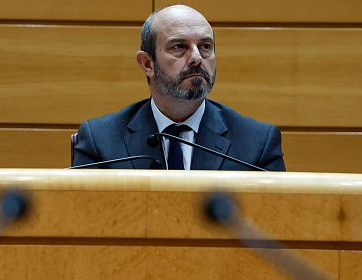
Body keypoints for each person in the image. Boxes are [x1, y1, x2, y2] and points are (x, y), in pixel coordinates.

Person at [72, 4, 285, 171]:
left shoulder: (257, 143)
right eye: (179, 47)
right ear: (148, 64)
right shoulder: (100, 140)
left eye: (205, 47)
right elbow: (80, 220)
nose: (196, 58)